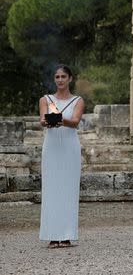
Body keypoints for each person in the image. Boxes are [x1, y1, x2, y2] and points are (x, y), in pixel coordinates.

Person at [39, 64, 84, 248]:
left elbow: (74, 122)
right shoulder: (46, 99)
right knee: (51, 190)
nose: (60, 80)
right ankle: (51, 235)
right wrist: (49, 121)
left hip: (69, 148)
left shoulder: (78, 100)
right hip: (51, 148)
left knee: (68, 190)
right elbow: (43, 119)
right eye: (57, 77)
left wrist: (60, 119)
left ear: (70, 79)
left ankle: (66, 235)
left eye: (63, 77)